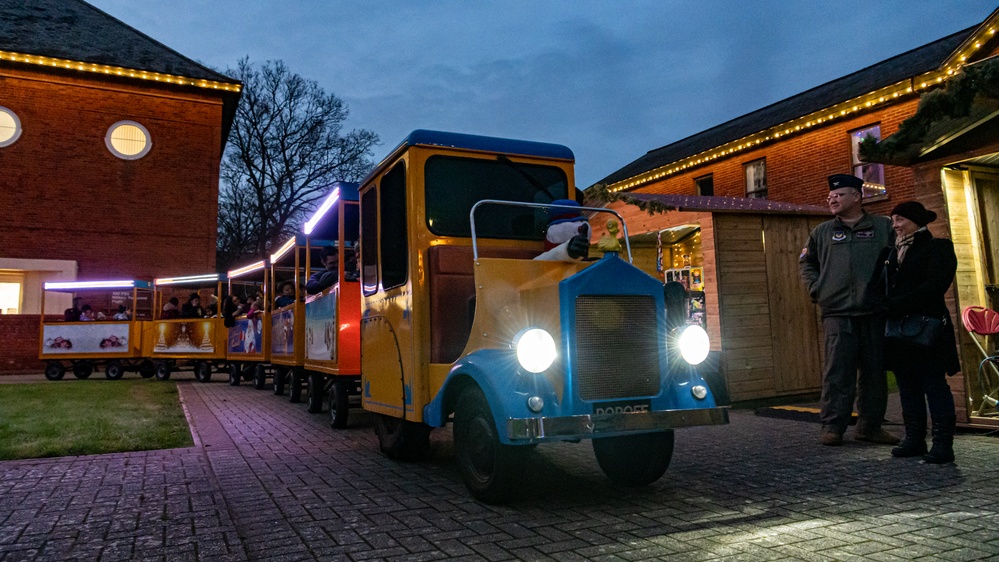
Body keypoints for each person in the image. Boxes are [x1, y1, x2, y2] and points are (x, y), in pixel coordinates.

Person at [799, 173, 897, 446]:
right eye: (830, 196)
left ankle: (870, 427)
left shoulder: (882, 227)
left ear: (857, 196)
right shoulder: (822, 232)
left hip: (874, 311)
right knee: (837, 371)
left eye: (839, 195)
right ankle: (832, 426)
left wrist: (889, 295)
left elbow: (898, 260)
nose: (832, 199)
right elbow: (807, 264)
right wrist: (817, 289)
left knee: (875, 373)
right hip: (837, 312)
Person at [874, 201, 960, 464]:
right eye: (893, 221)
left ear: (917, 221)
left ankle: (943, 444)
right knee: (907, 385)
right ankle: (914, 439)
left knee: (933, 384)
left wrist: (895, 304)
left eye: (900, 219)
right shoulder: (889, 254)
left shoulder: (938, 248)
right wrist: (880, 304)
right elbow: (877, 286)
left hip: (927, 328)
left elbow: (934, 286)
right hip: (899, 331)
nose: (896, 226)